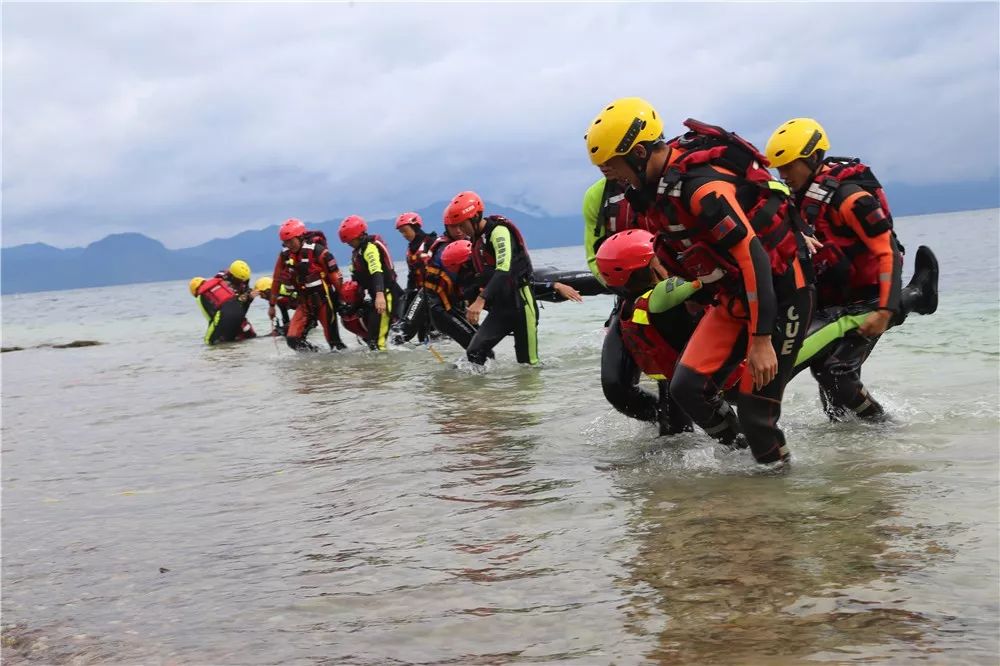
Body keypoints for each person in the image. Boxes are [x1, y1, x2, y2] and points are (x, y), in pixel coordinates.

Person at [585, 97, 815, 466]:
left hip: (783, 293)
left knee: (757, 414)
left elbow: (753, 258)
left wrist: (760, 339)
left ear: (640, 153)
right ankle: (744, 462)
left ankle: (779, 503)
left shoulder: (702, 189)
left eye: (612, 167)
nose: (612, 178)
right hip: (733, 298)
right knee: (686, 388)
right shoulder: (659, 186)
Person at [594, 229, 939, 436]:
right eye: (659, 256)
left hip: (720, 386)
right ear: (648, 268)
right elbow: (714, 272)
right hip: (753, 372)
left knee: (827, 342)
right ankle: (915, 297)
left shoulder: (626, 316)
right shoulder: (662, 296)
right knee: (842, 320)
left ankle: (861, 425)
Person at [765, 117, 936, 420]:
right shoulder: (798, 196)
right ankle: (857, 457)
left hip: (869, 298)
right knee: (833, 397)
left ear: (813, 158)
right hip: (833, 300)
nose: (784, 174)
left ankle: (886, 430)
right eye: (780, 168)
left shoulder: (850, 197)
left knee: (834, 371)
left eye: (790, 166)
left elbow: (887, 252)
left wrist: (884, 310)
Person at [443, 191, 540, 367]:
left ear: (475, 216)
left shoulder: (499, 231)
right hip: (501, 309)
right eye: (456, 226)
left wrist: (480, 301)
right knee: (474, 352)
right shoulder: (476, 240)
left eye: (462, 224)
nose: (460, 230)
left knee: (528, 365)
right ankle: (485, 394)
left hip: (521, 305)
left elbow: (504, 269)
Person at [268, 218, 347, 352]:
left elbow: (336, 278)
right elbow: (276, 280)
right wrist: (272, 305)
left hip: (324, 302)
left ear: (300, 237)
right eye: (285, 242)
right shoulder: (284, 256)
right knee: (293, 340)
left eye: (291, 241)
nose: (289, 245)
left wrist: (343, 300)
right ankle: (317, 358)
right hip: (304, 304)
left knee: (335, 344)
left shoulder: (319, 252)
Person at [338, 215, 403, 351]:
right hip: (377, 297)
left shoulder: (370, 248)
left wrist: (380, 295)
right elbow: (358, 280)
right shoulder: (357, 252)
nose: (349, 243)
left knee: (378, 343)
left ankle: (387, 371)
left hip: (386, 295)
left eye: (351, 240)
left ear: (359, 235)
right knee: (372, 341)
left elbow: (376, 272)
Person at [393, 211, 438, 344]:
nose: (403, 235)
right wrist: (408, 292)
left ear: (415, 227)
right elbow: (412, 274)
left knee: (433, 331)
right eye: (401, 232)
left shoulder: (431, 242)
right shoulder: (410, 249)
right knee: (422, 334)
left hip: (433, 292)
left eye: (405, 231)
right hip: (419, 292)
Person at [191, 260, 257, 345]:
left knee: (211, 343)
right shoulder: (219, 284)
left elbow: (212, 318)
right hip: (235, 317)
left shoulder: (214, 287)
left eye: (245, 280)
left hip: (231, 317)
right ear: (232, 275)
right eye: (240, 280)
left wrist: (248, 299)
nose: (243, 283)